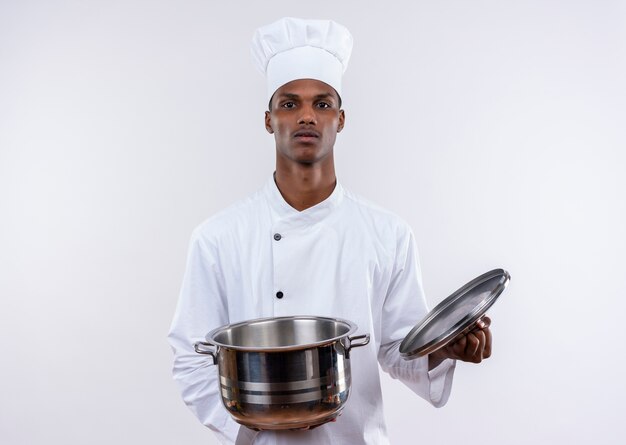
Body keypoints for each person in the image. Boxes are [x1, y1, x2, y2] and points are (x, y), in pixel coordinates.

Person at [167, 17, 492, 445]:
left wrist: (445, 348)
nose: (306, 116)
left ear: (341, 118)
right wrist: (255, 422)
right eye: (289, 103)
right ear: (268, 120)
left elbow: (400, 348)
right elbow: (191, 359)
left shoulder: (387, 232)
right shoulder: (218, 237)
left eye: (322, 104)